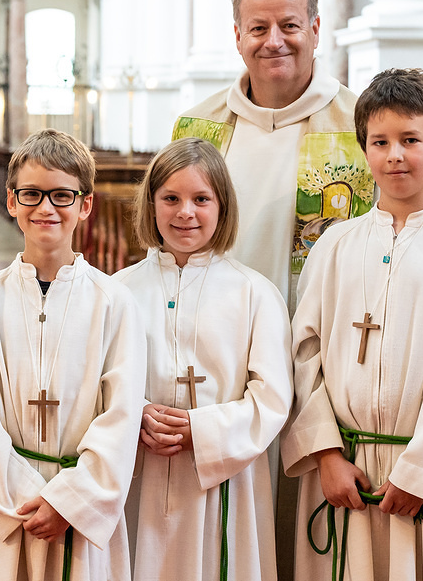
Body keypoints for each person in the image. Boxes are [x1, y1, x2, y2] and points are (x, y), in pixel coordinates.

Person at [281, 68, 423, 580]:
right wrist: (324, 453)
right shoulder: (334, 246)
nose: (395, 155)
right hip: (344, 471)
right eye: (380, 142)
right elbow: (305, 351)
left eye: (411, 140)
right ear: (365, 150)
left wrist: (422, 471)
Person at [0, 129, 146, 580]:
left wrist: (70, 502)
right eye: (32, 194)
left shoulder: (114, 302)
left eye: (62, 195)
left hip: (82, 513)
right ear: (12, 201)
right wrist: (21, 497)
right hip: (10, 510)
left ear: (85, 205)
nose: (46, 208)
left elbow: (121, 414)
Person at [114, 138, 293, 580]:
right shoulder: (117, 290)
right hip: (140, 469)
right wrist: (136, 414)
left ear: (223, 206)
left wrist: (202, 430)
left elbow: (271, 399)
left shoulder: (254, 293)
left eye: (201, 199)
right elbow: (98, 382)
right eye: (170, 199)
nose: (185, 213)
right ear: (150, 204)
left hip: (222, 480)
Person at [172, 0, 373, 305]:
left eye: (290, 26)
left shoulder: (362, 125)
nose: (274, 41)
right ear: (238, 37)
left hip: (321, 332)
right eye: (258, 29)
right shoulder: (197, 126)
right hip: (213, 329)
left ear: (315, 30)